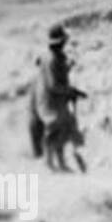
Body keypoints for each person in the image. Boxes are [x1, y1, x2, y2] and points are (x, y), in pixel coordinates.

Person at [28, 24, 87, 171]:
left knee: (62, 131)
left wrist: (68, 68)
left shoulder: (51, 57)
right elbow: (53, 85)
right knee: (55, 131)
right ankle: (49, 164)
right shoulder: (52, 59)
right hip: (50, 100)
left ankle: (60, 163)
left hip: (54, 99)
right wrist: (71, 91)